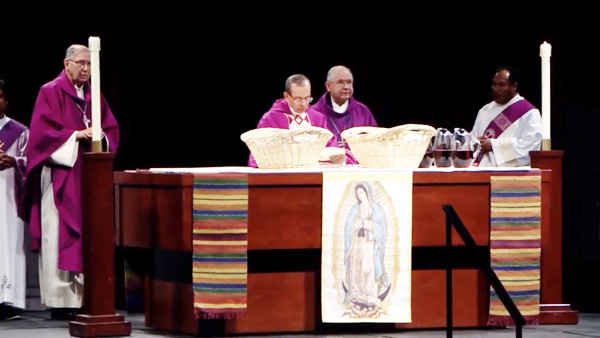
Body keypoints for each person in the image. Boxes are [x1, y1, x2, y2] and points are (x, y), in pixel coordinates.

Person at [22, 44, 119, 319]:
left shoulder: (94, 95)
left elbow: (110, 130)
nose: (86, 69)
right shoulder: (50, 91)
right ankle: (61, 302)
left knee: (88, 233)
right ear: (67, 64)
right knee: (58, 235)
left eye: (90, 65)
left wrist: (100, 137)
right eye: (81, 63)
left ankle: (86, 298)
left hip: (87, 179)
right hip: (59, 175)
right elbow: (41, 136)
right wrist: (77, 136)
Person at [247, 74, 341, 167]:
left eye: (307, 98)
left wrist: (335, 155)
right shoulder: (270, 119)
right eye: (298, 99)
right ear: (286, 96)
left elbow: (331, 146)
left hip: (314, 173)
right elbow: (258, 154)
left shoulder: (318, 118)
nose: (303, 104)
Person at [471, 67, 542, 167]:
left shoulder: (529, 113)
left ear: (514, 86)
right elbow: (473, 138)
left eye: (501, 85)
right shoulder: (485, 110)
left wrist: (493, 146)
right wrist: (475, 142)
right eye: (494, 84)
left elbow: (530, 148)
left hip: (508, 176)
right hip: (479, 170)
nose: (495, 89)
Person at [0, 79, 28, 320]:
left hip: (8, 196)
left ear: (6, 101)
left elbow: (34, 162)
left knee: (9, 244)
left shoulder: (19, 131)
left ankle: (8, 302)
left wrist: (14, 161)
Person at [311, 66, 377, 164]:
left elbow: (375, 142)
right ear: (328, 86)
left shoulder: (363, 112)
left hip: (358, 170)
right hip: (325, 171)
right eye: (340, 82)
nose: (346, 87)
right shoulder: (314, 113)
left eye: (349, 82)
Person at [343, 183, 390, 318]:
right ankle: (356, 293)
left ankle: (370, 295)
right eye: (358, 194)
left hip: (370, 244)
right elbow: (348, 227)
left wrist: (369, 225)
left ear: (367, 193)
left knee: (368, 268)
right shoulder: (354, 209)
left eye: (362, 193)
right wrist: (356, 225)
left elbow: (381, 228)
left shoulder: (376, 209)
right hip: (357, 242)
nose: (360, 196)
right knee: (356, 269)